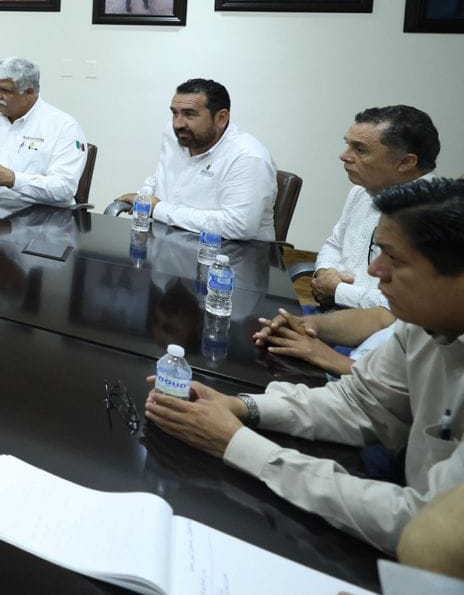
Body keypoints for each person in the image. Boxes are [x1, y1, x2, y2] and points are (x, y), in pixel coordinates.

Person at [144, 177, 464, 555]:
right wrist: (244, 407)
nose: (376, 270)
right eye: (379, 252)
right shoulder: (420, 325)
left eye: (394, 258)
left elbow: (418, 522)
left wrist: (238, 445)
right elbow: (358, 403)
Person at [113, 78, 276, 241]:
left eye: (189, 114)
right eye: (175, 113)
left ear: (221, 118)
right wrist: (144, 196)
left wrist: (156, 208)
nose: (178, 124)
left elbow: (238, 226)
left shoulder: (248, 157)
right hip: (170, 242)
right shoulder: (176, 134)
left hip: (229, 252)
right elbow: (163, 177)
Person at [310, 105, 438, 308]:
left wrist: (338, 290)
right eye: (348, 145)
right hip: (336, 312)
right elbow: (334, 245)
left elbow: (403, 306)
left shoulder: (435, 215)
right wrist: (325, 272)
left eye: (359, 149)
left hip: (378, 326)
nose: (344, 155)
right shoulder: (362, 191)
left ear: (405, 162)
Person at [0, 57, 88, 207]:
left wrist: (13, 180)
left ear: (29, 93)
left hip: (38, 215)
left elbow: (64, 188)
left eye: (5, 90)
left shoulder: (64, 127)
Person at [253, 305, 398, 378]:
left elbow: (396, 388)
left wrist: (326, 356)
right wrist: (312, 325)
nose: (373, 269)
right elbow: (382, 318)